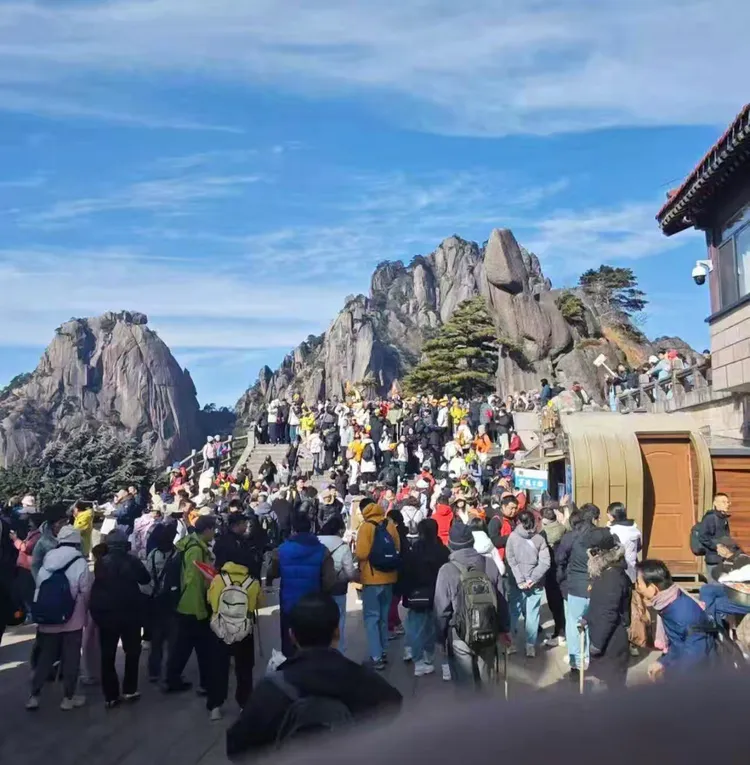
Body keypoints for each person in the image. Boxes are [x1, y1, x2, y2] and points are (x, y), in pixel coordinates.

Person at [225, 593, 403, 758]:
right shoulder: (361, 679)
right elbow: (394, 705)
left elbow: (236, 746)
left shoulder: (271, 689)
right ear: (337, 632)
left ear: (292, 636)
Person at [434, 523, 511, 689]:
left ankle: (469, 704)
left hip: (459, 634)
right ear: (472, 541)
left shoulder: (446, 570)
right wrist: (504, 629)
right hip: (488, 630)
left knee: (465, 685)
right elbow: (502, 600)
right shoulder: (490, 564)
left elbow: (441, 609)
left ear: (450, 545)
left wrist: (440, 638)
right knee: (487, 679)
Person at [27, 526, 92, 711]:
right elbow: (86, 590)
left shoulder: (48, 559)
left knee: (45, 658)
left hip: (48, 620)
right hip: (73, 620)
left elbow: (39, 585)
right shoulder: (79, 562)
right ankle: (68, 698)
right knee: (71, 659)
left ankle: (34, 696)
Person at [90, 529, 151, 708]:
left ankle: (110, 695)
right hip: (130, 613)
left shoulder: (101, 562)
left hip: (107, 614)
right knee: (132, 651)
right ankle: (129, 689)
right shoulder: (132, 561)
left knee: (107, 655)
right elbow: (145, 579)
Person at [267, 513, 336, 657]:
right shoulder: (322, 551)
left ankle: (291, 666)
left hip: (288, 604)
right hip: (314, 606)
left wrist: (269, 580)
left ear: (293, 529)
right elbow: (329, 581)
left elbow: (273, 572)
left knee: (289, 643)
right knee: (313, 645)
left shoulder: (281, 550)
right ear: (310, 528)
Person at [636, 559, 715, 680]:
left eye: (638, 583)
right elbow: (678, 643)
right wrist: (663, 662)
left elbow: (695, 654)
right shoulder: (669, 602)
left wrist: (668, 673)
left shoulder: (683, 613)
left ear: (652, 588)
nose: (637, 587)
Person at [206, 553, 263, 721]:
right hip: (244, 631)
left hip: (220, 629)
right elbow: (259, 604)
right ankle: (244, 704)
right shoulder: (253, 582)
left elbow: (210, 601)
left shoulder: (218, 580)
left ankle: (215, 706)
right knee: (244, 668)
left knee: (218, 667)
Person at [164, 515, 216, 694]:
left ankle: (173, 679)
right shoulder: (196, 549)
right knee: (203, 646)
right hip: (193, 605)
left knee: (185, 645)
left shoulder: (191, 544)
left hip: (185, 604)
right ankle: (205, 684)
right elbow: (193, 580)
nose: (214, 533)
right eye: (213, 529)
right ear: (207, 529)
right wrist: (201, 608)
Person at [355, 501, 401, 670]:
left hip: (372, 578)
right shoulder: (389, 524)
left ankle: (376, 656)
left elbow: (361, 553)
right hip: (390, 577)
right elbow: (397, 547)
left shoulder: (366, 527)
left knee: (371, 617)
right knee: (383, 616)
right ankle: (383, 650)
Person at [401, 518, 450, 676]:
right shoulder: (443, 551)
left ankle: (419, 662)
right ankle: (431, 658)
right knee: (435, 628)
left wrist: (406, 595)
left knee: (416, 629)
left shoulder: (414, 551)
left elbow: (406, 574)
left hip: (417, 596)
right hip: (438, 595)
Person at [584, 528, 630, 689]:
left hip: (611, 643)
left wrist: (597, 643)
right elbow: (599, 604)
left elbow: (608, 613)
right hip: (606, 639)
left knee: (610, 690)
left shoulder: (612, 577)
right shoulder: (607, 572)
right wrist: (587, 617)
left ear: (598, 553)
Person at [558, 503, 600, 679]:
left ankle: (576, 663)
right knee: (592, 623)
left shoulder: (571, 537)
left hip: (575, 586)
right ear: (595, 518)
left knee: (573, 623)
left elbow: (559, 558)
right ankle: (589, 658)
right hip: (596, 585)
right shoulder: (601, 536)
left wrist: (562, 578)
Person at [505, 510, 550, 657]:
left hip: (515, 581)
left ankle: (511, 643)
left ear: (519, 522)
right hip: (535, 583)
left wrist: (520, 580)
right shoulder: (539, 538)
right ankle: (530, 645)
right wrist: (533, 578)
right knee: (533, 613)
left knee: (513, 612)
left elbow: (511, 561)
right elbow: (545, 562)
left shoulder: (512, 537)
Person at [318, 515, 356, 656]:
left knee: (321, 619)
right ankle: (338, 651)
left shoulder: (317, 543)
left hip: (320, 586)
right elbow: (350, 572)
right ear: (339, 530)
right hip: (338, 586)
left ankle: (322, 650)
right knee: (339, 620)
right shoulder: (343, 546)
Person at [144, 521, 177, 683]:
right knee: (173, 639)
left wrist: (152, 592)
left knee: (156, 640)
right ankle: (171, 672)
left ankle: (154, 671)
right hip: (173, 601)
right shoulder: (177, 555)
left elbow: (147, 578)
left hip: (156, 601)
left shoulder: (153, 555)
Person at [698, 537, 750, 626]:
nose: (717, 551)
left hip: (744, 598)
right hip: (734, 592)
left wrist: (727, 576)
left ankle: (712, 627)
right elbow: (715, 572)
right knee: (707, 589)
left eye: (719, 548)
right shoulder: (727, 561)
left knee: (715, 604)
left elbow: (738, 577)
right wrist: (725, 575)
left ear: (726, 548)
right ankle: (710, 621)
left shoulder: (743, 559)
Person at [540, 506, 566, 646]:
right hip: (563, 570)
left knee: (554, 604)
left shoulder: (543, 534)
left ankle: (560, 633)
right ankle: (561, 631)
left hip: (550, 572)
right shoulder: (564, 529)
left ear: (544, 520)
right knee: (561, 603)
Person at [698, 493, 732, 579]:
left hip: (723, 559)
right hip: (714, 560)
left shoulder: (723, 518)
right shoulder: (710, 518)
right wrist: (717, 546)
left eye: (728, 502)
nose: (727, 504)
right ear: (715, 503)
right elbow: (703, 537)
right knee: (715, 585)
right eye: (723, 502)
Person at [31, 504, 68, 581]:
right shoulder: (43, 542)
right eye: (61, 522)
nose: (64, 525)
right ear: (52, 525)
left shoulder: (74, 538)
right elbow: (35, 565)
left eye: (66, 521)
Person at [607, 502, 642, 583]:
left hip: (619, 569)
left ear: (612, 515)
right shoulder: (634, 527)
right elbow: (639, 547)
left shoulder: (613, 530)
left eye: (608, 513)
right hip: (633, 567)